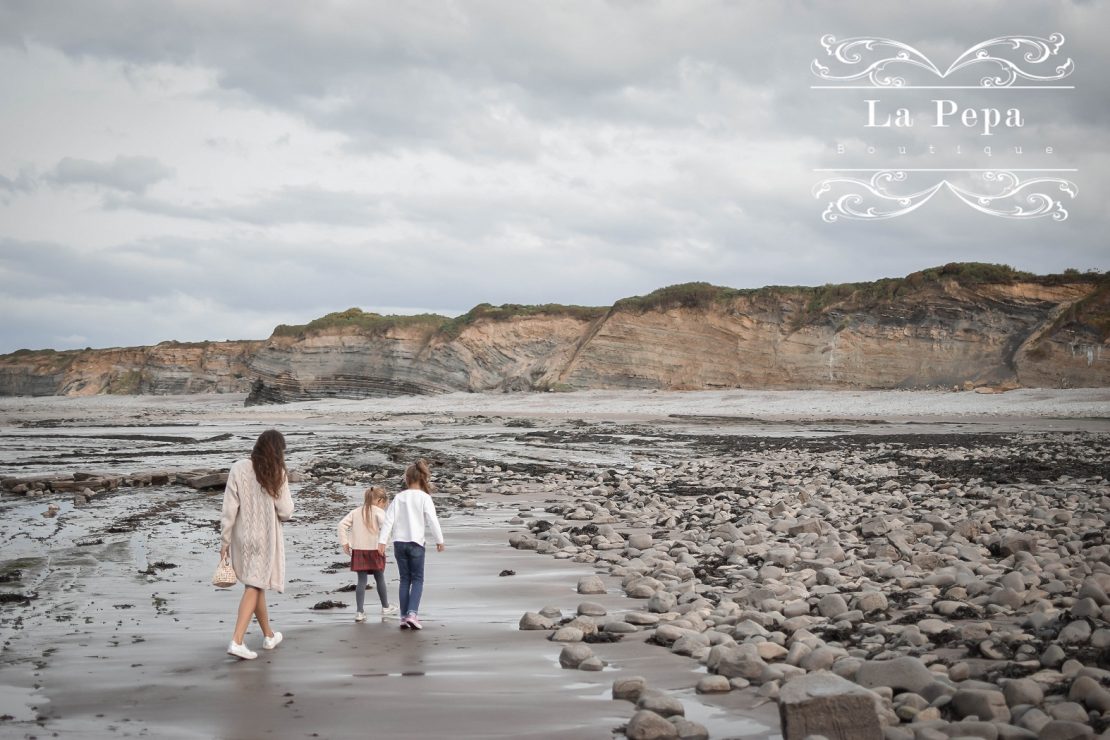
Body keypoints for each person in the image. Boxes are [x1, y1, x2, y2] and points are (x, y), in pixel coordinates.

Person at [220, 429, 294, 660]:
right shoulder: (277, 473)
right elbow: (286, 511)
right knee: (254, 585)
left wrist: (225, 539)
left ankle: (269, 635)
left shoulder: (238, 468)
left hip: (242, 536)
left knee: (255, 582)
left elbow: (229, 509)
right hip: (265, 539)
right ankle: (237, 640)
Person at [377, 459, 445, 630]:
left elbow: (388, 521)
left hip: (399, 543)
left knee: (405, 580)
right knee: (418, 579)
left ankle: (403, 617)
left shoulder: (399, 497)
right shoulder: (425, 498)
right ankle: (412, 614)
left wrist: (382, 541)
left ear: (406, 479)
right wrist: (439, 540)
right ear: (422, 478)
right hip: (416, 543)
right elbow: (432, 520)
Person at [338, 487, 398, 621]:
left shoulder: (356, 511)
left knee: (361, 581)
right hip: (376, 550)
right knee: (379, 578)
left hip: (359, 551)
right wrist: (385, 544)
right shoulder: (379, 512)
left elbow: (341, 525)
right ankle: (385, 607)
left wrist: (345, 543)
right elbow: (387, 528)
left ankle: (359, 612)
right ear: (380, 500)